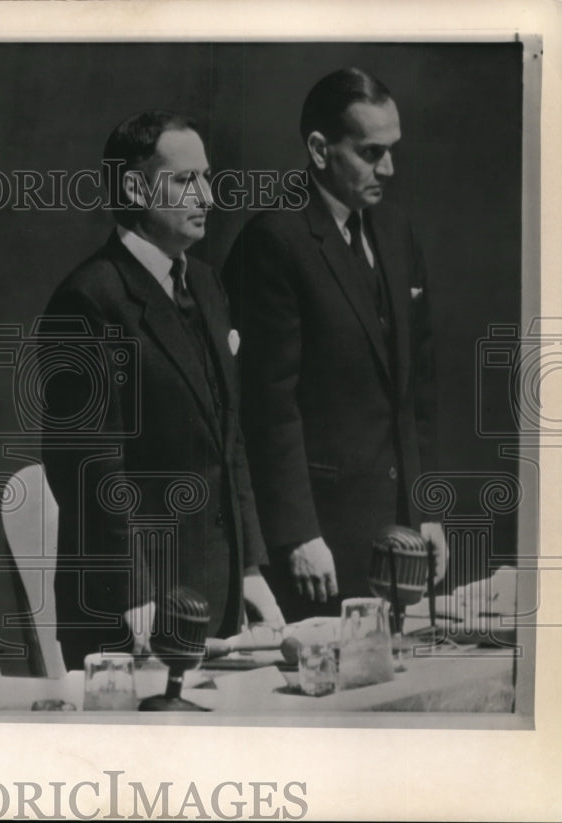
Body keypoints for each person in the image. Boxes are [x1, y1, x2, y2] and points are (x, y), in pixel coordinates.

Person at [41, 111, 283, 670]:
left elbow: (230, 438)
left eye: (207, 177)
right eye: (185, 180)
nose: (207, 196)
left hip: (211, 592)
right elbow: (93, 469)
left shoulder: (205, 282)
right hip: (130, 607)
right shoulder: (88, 300)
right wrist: (138, 600)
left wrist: (250, 568)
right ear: (134, 187)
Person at [222, 68, 446, 621]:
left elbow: (416, 388)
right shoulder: (273, 242)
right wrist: (297, 533)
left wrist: (425, 508)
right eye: (371, 153)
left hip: (398, 535)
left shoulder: (395, 232)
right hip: (319, 543)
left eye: (392, 151)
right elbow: (267, 409)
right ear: (319, 149)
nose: (388, 168)